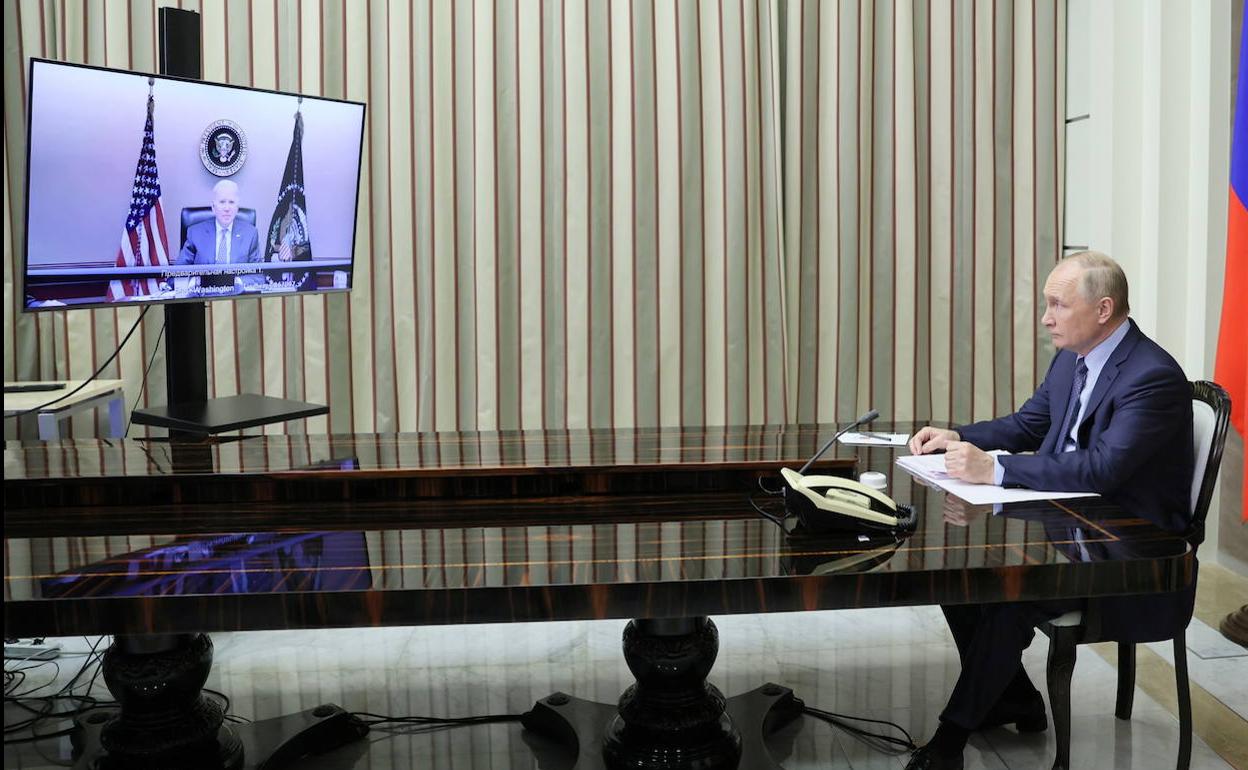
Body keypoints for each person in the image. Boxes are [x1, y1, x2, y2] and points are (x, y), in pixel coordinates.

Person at [903, 251, 1194, 770]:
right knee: (957, 573)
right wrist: (959, 435)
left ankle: (949, 742)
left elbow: (1102, 470)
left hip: (1130, 551)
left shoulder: (1152, 377)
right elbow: (1027, 424)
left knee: (1012, 595)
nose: (1045, 318)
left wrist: (995, 470)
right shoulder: (1072, 358)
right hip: (1071, 524)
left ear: (1103, 309)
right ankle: (1013, 698)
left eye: (1058, 304)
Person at [176, 179, 260, 266]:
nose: (227, 208)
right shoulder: (195, 233)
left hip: (238, 276)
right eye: (222, 202)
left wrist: (239, 277)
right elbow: (179, 270)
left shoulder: (250, 234)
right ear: (213, 207)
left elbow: (257, 272)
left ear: (237, 207)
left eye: (231, 202)